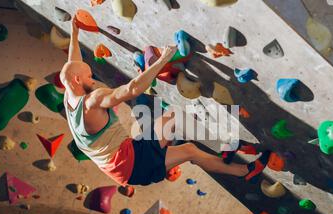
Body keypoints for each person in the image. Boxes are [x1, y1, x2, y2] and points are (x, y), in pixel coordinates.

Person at [60, 17, 271, 187]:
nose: (92, 79)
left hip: (125, 159)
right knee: (179, 125)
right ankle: (232, 151)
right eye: (89, 76)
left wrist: (75, 32)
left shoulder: (70, 96)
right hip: (130, 164)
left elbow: (72, 66)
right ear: (78, 80)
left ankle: (244, 168)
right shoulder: (91, 101)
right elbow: (133, 89)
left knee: (184, 139)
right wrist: (162, 61)